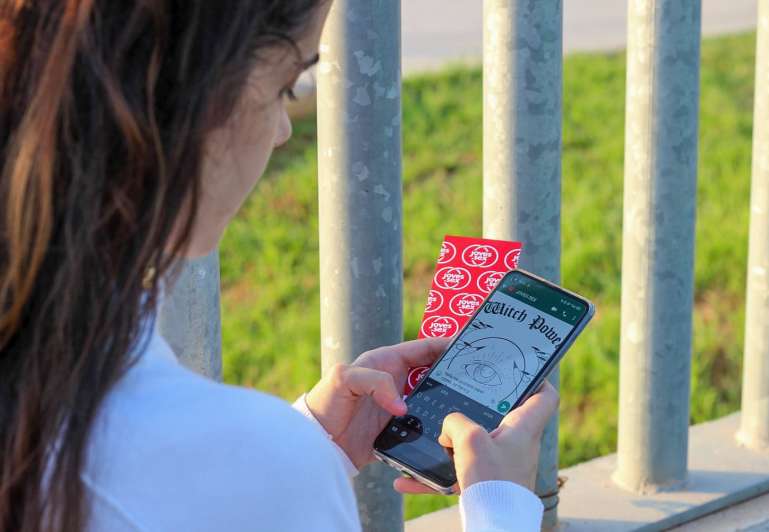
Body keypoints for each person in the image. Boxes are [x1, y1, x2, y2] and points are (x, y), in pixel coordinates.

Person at [0, 1, 560, 531]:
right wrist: (503, 507)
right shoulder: (260, 462)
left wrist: (309, 445)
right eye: (285, 87)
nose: (284, 130)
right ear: (193, 101)